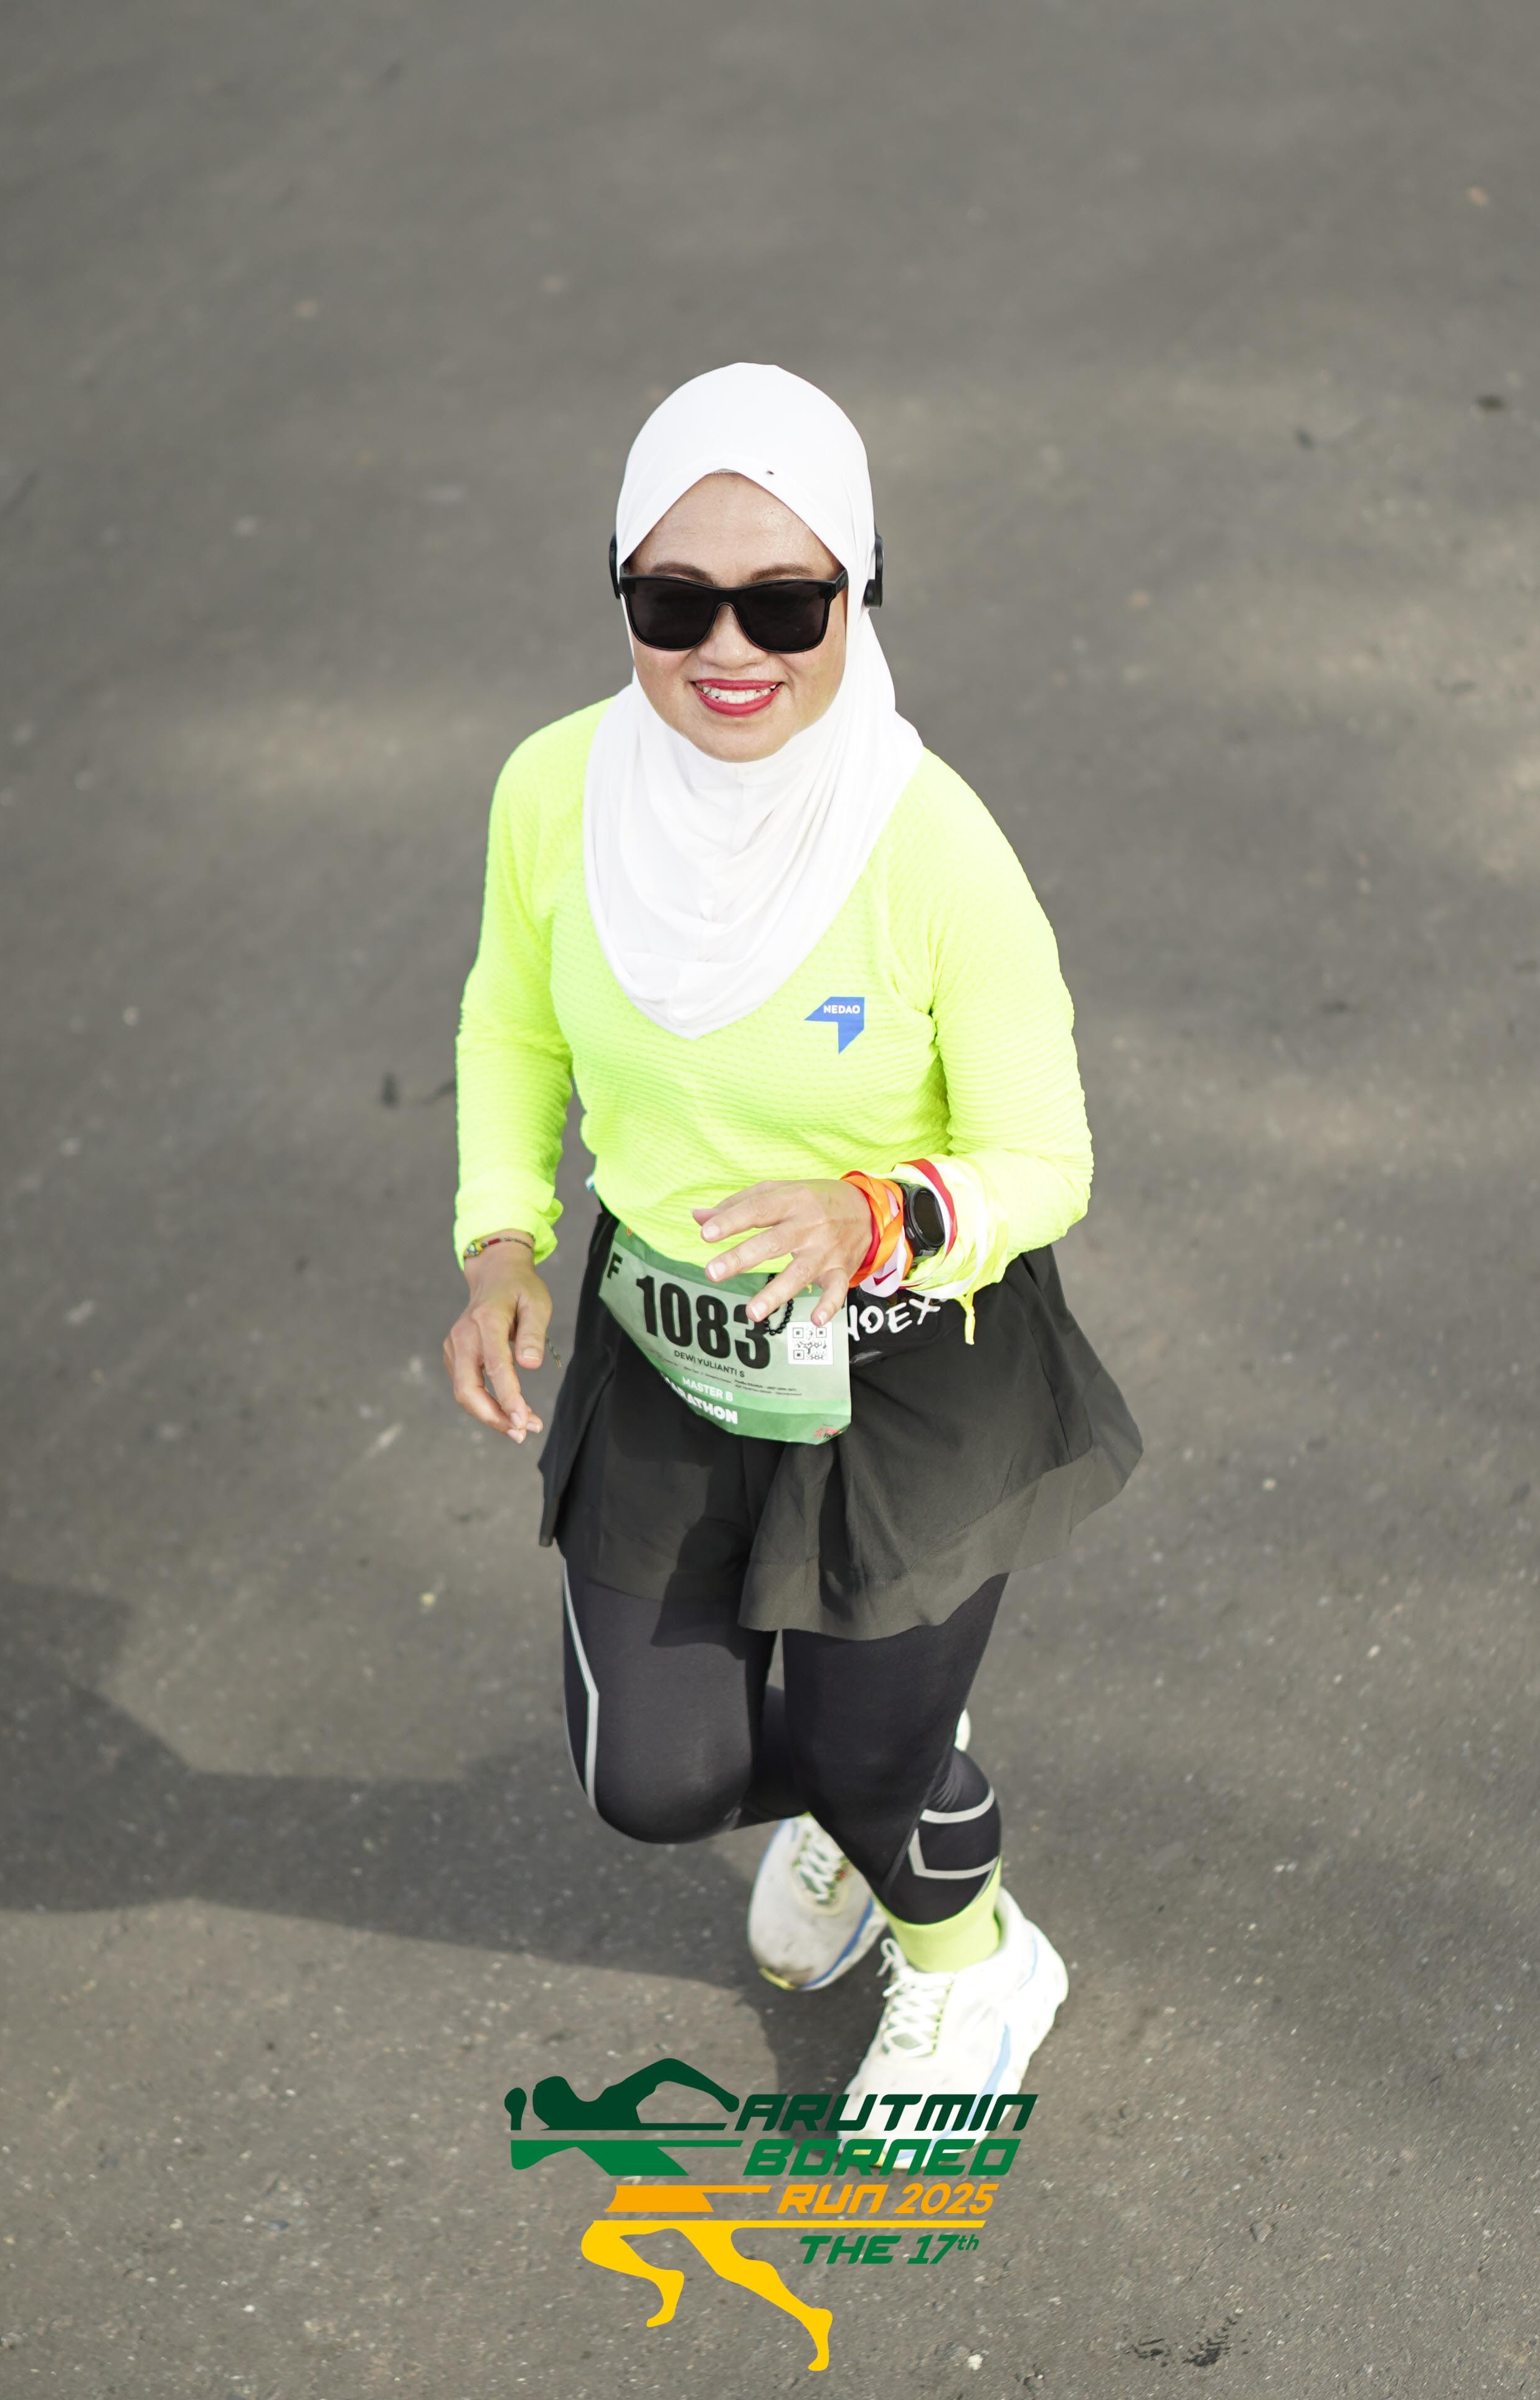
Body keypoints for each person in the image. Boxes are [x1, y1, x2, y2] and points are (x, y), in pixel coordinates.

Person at [444, 363, 1140, 2103]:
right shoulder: (552, 791)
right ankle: (867, 1770)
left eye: (785, 601)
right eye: (673, 601)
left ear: (860, 592)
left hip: (906, 1359)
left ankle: (975, 1961)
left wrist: (873, 1211)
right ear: (621, 590)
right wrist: (501, 1243)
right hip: (675, 1343)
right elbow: (511, 1024)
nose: (727, 648)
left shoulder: (934, 849)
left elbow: (1044, 1159)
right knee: (651, 1780)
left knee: (869, 1759)